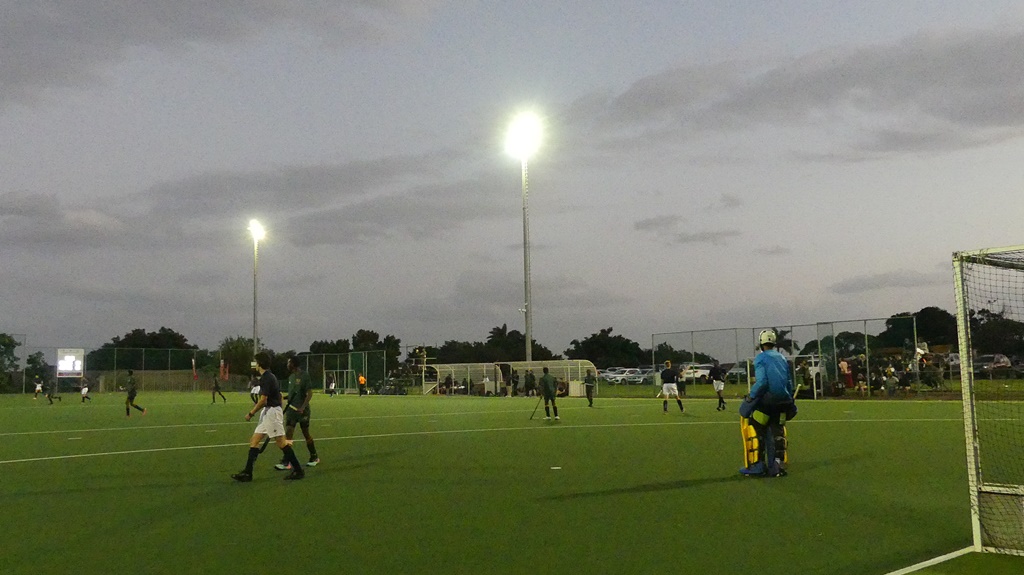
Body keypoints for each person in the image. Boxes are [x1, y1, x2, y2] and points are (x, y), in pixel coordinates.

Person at [232, 352, 304, 482]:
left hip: (271, 413)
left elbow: (263, 400)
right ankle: (248, 473)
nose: (255, 364)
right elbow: (279, 396)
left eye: (256, 362)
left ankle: (298, 470)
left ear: (259, 363)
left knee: (281, 443)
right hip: (268, 412)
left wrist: (251, 413)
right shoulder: (268, 377)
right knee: (254, 441)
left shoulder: (267, 378)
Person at [740, 330, 796, 478]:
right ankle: (776, 466)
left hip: (768, 401)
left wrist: (751, 397)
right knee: (777, 431)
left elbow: (762, 382)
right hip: (783, 401)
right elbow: (789, 382)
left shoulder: (760, 359)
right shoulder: (782, 358)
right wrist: (789, 398)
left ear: (761, 343)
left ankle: (757, 466)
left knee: (756, 427)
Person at [275, 357, 320, 470]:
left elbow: (309, 393)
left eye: (289, 362)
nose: (287, 364)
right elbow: (292, 394)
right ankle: (287, 461)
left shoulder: (304, 376)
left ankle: (314, 457)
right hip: (291, 410)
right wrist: (282, 397)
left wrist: (303, 407)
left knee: (306, 433)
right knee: (289, 433)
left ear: (293, 364)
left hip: (302, 411)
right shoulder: (291, 377)